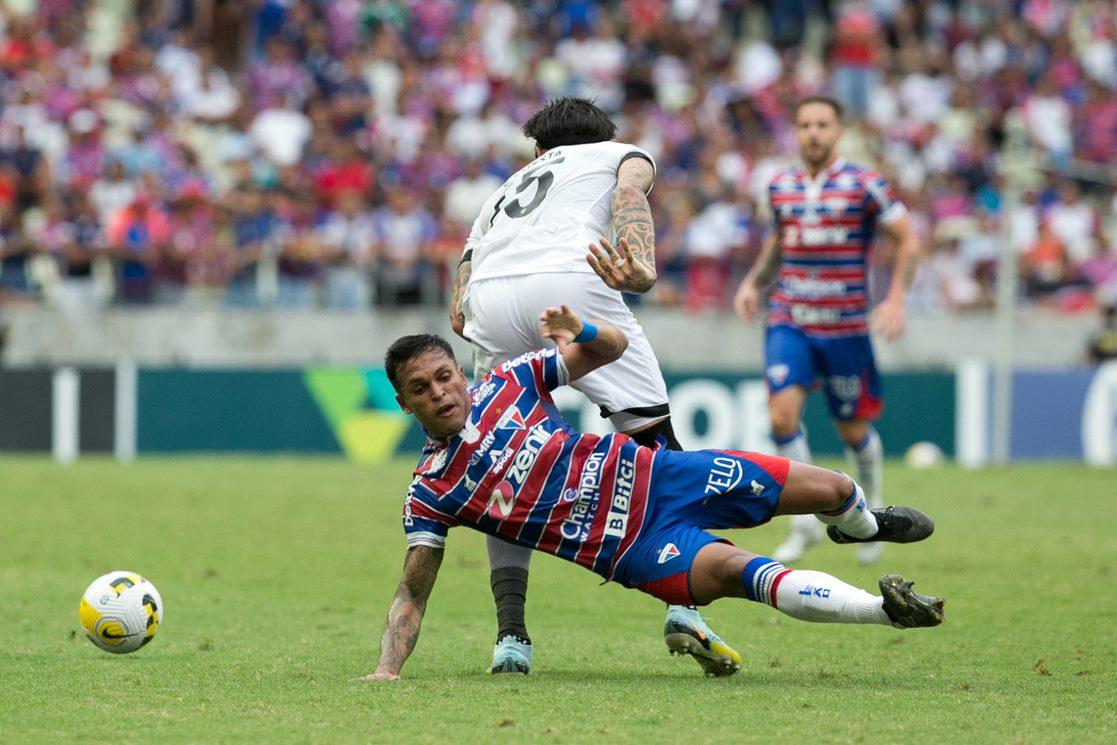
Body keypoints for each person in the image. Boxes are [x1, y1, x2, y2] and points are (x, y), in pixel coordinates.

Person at [363, 306, 944, 682]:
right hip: (635, 549)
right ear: (404, 404)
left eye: (444, 377)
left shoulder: (511, 381)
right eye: (421, 388)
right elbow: (412, 592)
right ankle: (885, 610)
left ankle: (860, 526)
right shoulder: (431, 491)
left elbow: (610, 347)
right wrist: (387, 671)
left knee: (835, 487)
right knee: (744, 570)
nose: (439, 393)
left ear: (461, 375)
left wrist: (582, 328)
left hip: (665, 475)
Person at [446, 97, 738, 676]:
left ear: (538, 150)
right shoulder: (619, 154)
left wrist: (472, 313)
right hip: (568, 283)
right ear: (605, 137)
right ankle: (685, 608)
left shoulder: (504, 190)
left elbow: (463, 284)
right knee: (659, 446)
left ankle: (511, 639)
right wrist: (643, 263)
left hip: (491, 299)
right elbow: (630, 194)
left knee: (503, 468)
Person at [732, 96, 921, 566]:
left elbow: (909, 239)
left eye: (821, 124)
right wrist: (755, 281)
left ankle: (872, 517)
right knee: (780, 419)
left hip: (846, 327)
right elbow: (781, 238)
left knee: (853, 430)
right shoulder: (780, 186)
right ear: (796, 133)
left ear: (838, 131)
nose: (812, 132)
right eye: (804, 125)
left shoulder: (864, 184)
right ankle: (803, 524)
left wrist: (896, 298)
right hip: (790, 319)